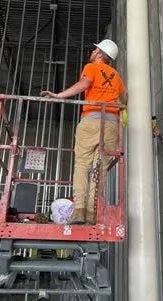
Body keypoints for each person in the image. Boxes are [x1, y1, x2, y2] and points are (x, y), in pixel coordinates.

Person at [41, 39, 127, 225]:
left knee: (82, 164)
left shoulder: (92, 67)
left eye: (94, 49)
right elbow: (124, 100)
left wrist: (59, 95)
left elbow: (84, 84)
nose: (92, 51)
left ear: (99, 54)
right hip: (111, 124)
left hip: (91, 120)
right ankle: (92, 212)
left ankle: (79, 210)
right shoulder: (117, 76)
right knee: (100, 168)